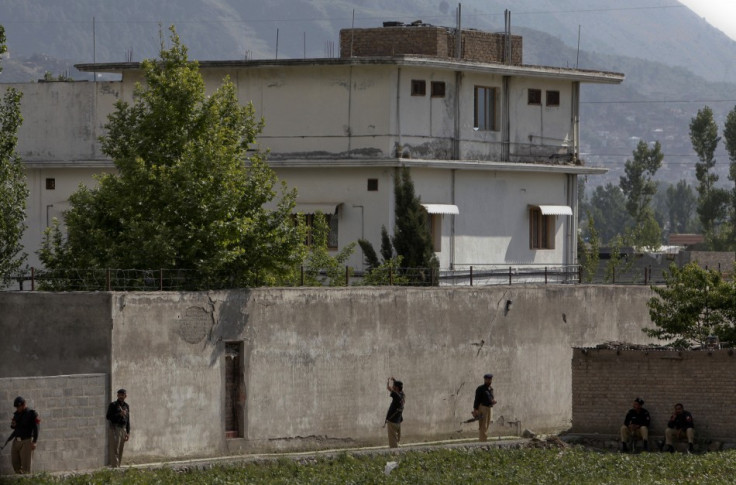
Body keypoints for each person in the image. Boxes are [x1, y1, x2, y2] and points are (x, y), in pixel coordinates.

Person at [9, 396, 40, 474]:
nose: (17, 408)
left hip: (26, 441)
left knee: (26, 467)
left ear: (24, 405)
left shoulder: (31, 414)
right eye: (16, 407)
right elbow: (13, 426)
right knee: (15, 463)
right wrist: (13, 424)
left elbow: (36, 428)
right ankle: (20, 480)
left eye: (18, 407)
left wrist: (34, 441)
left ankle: (26, 480)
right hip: (16, 441)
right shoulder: (16, 414)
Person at [106, 388, 130, 467]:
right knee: (115, 448)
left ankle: (118, 466)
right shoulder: (113, 405)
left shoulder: (126, 406)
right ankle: (114, 467)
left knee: (121, 449)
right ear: (117, 395)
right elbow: (108, 417)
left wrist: (128, 432)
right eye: (119, 395)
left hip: (123, 429)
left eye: (122, 395)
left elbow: (127, 420)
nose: (121, 396)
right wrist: (119, 414)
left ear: (125, 396)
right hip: (115, 428)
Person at [472, 373, 496, 442]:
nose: (489, 381)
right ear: (485, 380)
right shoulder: (481, 389)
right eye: (487, 379)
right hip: (483, 408)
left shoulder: (490, 389)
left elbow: (490, 398)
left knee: (486, 426)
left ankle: (483, 441)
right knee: (483, 426)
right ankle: (483, 442)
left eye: (490, 379)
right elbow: (476, 399)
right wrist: (475, 409)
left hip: (489, 408)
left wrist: (492, 401)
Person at [385, 377, 405, 448]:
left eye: (394, 386)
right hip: (398, 421)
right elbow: (397, 388)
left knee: (393, 442)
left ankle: (395, 455)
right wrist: (395, 381)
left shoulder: (396, 395)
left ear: (396, 388)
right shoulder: (402, 395)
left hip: (392, 422)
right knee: (396, 440)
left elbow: (388, 388)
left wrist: (388, 382)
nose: (392, 387)